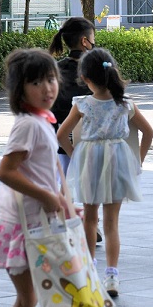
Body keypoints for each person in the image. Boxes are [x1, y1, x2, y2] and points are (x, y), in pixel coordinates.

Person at [0, 48, 71, 307]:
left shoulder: (41, 120)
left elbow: (51, 168)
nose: (47, 88)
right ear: (20, 90)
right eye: (36, 82)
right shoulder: (28, 125)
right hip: (21, 225)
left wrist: (64, 201)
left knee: (43, 297)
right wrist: (46, 196)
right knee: (43, 297)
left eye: (51, 79)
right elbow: (6, 171)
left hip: (35, 221)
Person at [56, 48, 153, 298]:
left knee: (90, 219)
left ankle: (89, 272)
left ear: (85, 79)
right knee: (112, 223)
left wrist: (75, 155)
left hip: (90, 159)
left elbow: (61, 135)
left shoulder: (82, 104)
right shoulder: (125, 104)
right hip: (119, 159)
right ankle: (112, 275)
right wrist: (137, 162)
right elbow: (148, 133)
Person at [48, 17, 104, 244]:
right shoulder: (96, 67)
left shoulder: (56, 68)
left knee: (65, 180)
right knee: (92, 184)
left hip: (62, 135)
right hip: (91, 135)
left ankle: (59, 222)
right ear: (85, 41)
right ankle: (93, 224)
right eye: (93, 39)